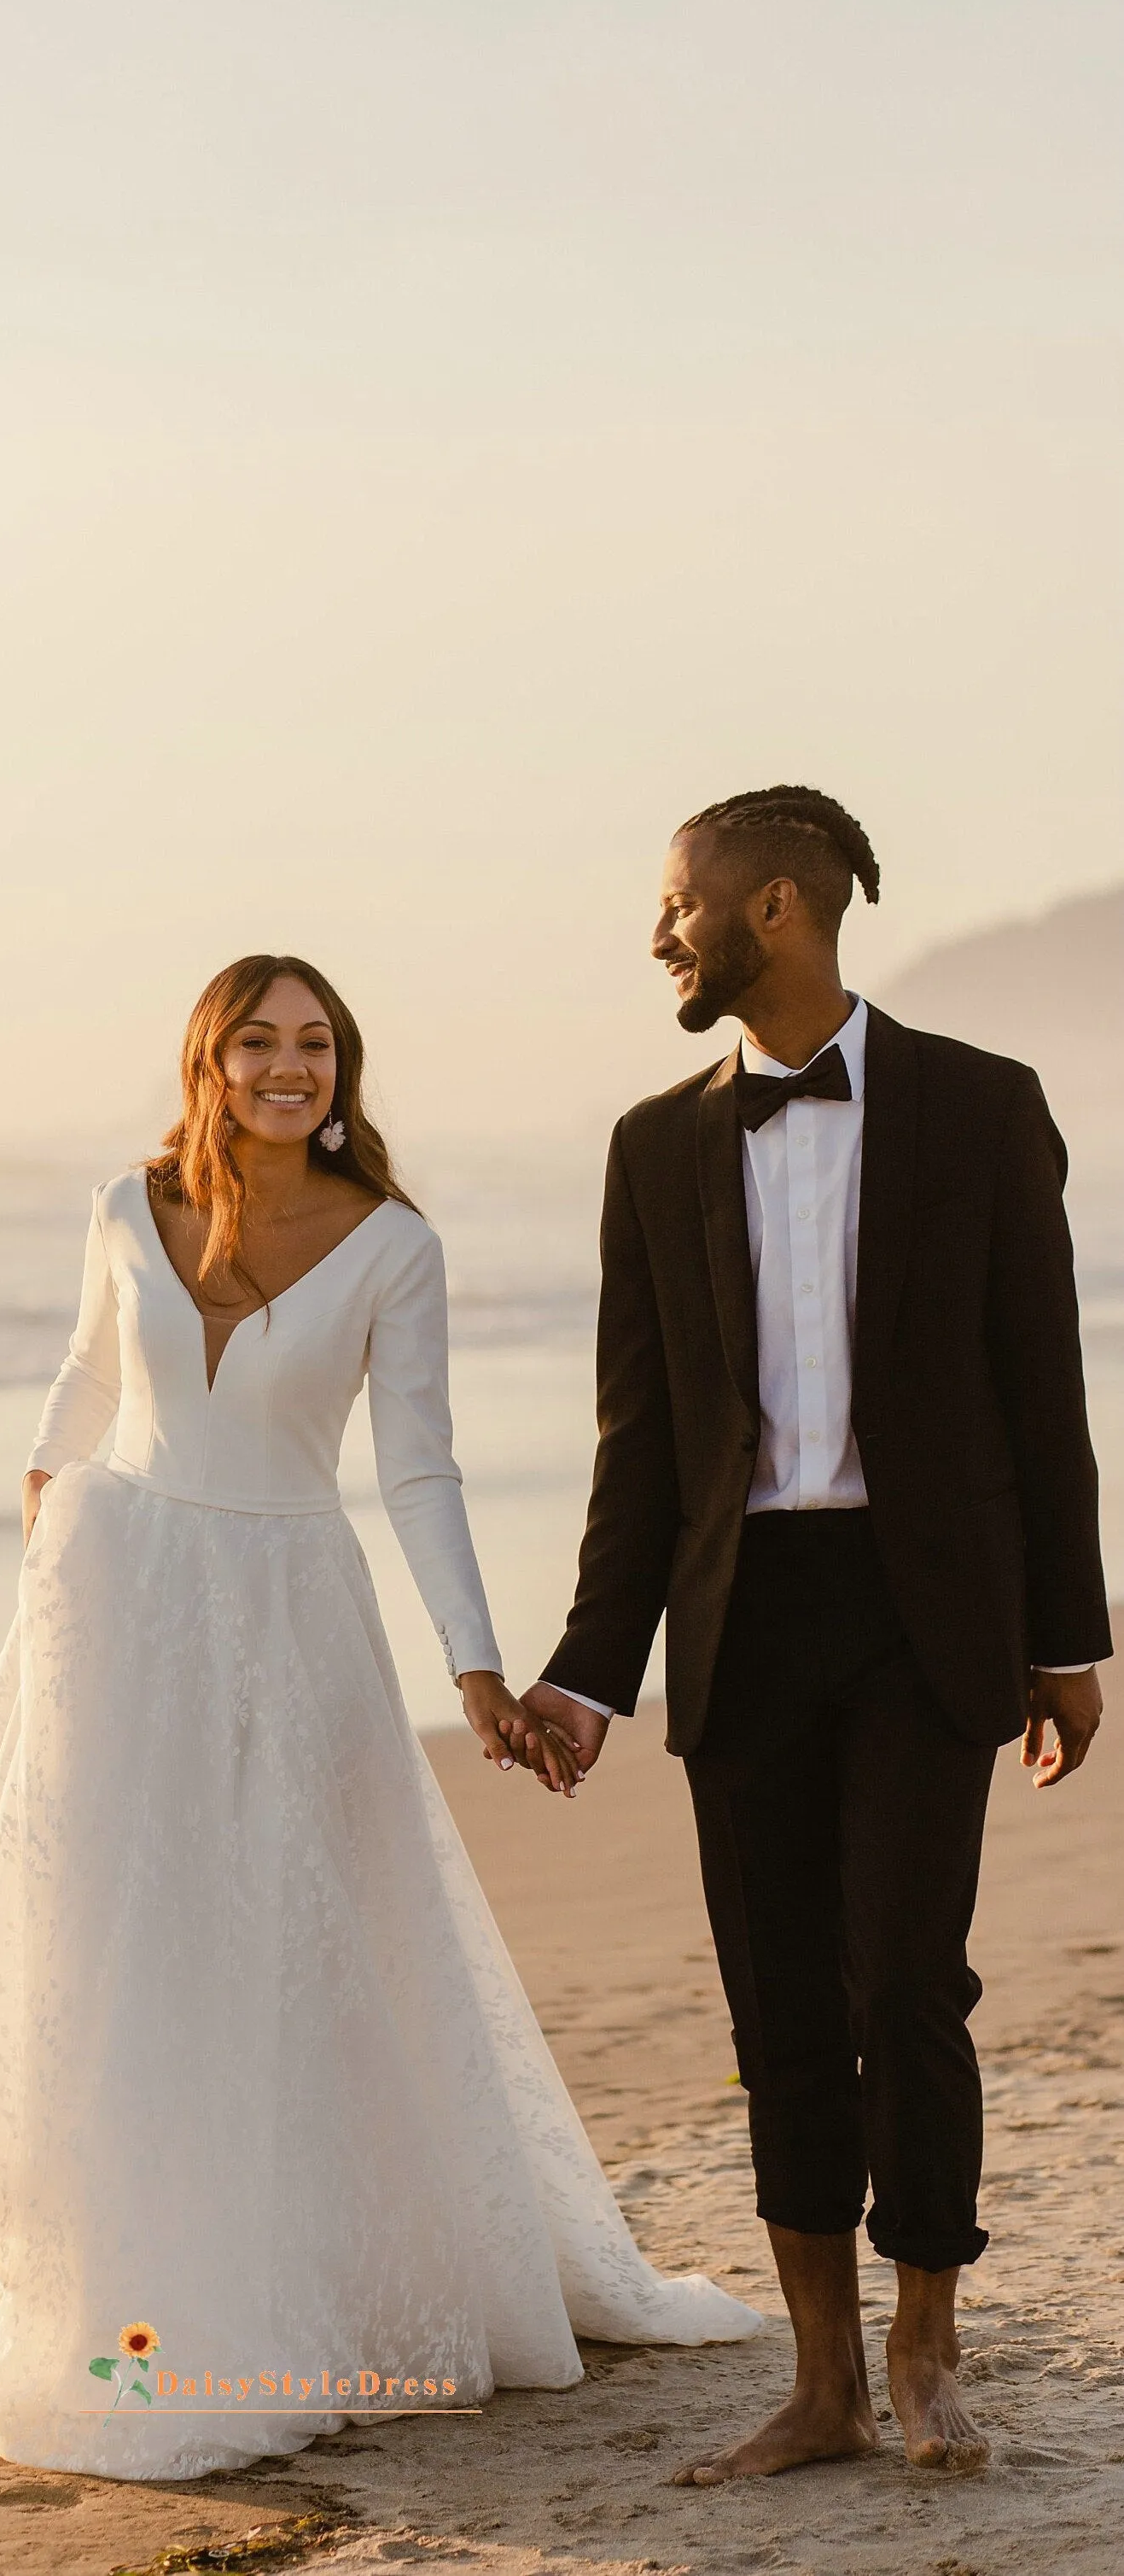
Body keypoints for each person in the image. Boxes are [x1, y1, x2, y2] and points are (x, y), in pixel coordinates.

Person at [0, 953, 759, 2482]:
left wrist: (473, 1665)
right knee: (109, 1943)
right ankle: (104, 2269)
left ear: (344, 1068)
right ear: (207, 1058)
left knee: (283, 1936)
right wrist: (43, 1495)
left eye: (316, 1044)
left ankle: (277, 2275)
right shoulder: (127, 1204)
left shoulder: (396, 1245)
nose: (289, 1066)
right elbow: (81, 1372)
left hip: (286, 1614)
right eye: (258, 1040)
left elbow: (418, 1470)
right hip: (117, 1607)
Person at [511, 787, 1109, 2482]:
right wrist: (583, 1674)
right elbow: (640, 1450)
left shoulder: (981, 1109)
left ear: (772, 908)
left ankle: (927, 2356)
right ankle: (821, 2384)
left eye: (674, 905)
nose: (656, 937)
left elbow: (1039, 1395)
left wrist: (1064, 1637)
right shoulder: (651, 1148)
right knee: (777, 2004)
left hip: (928, 1622)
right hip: (742, 1622)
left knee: (905, 1984)